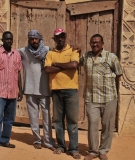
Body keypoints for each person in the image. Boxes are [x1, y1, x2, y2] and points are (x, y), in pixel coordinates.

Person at [81, 34, 123, 160]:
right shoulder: (85, 56)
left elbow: (119, 73)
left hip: (109, 97)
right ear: (90, 44)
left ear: (102, 44)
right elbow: (76, 63)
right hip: (91, 98)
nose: (95, 45)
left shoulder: (111, 57)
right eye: (92, 43)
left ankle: (103, 150)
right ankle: (93, 151)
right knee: (93, 125)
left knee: (107, 125)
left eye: (97, 42)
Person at [44, 28, 81, 159]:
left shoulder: (73, 50)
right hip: (56, 90)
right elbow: (48, 69)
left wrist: (57, 64)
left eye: (62, 36)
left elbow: (74, 65)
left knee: (72, 121)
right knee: (58, 121)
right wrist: (66, 65)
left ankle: (74, 149)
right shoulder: (50, 53)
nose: (60, 39)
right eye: (58, 37)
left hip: (71, 90)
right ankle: (60, 146)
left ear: (65, 37)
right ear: (54, 39)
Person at [17, 30, 55, 150]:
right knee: (33, 117)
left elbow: (60, 52)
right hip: (29, 89)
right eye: (31, 38)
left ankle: (48, 141)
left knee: (46, 117)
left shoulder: (48, 50)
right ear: (28, 39)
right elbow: (10, 51)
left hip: (44, 90)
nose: (34, 41)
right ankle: (37, 140)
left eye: (36, 38)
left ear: (40, 39)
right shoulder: (23, 51)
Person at [0, 31, 23, 155]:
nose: (9, 41)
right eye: (6, 39)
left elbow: (19, 73)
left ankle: (5, 140)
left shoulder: (17, 54)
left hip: (13, 91)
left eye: (10, 39)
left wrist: (21, 89)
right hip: (0, 92)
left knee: (9, 119)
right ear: (2, 40)